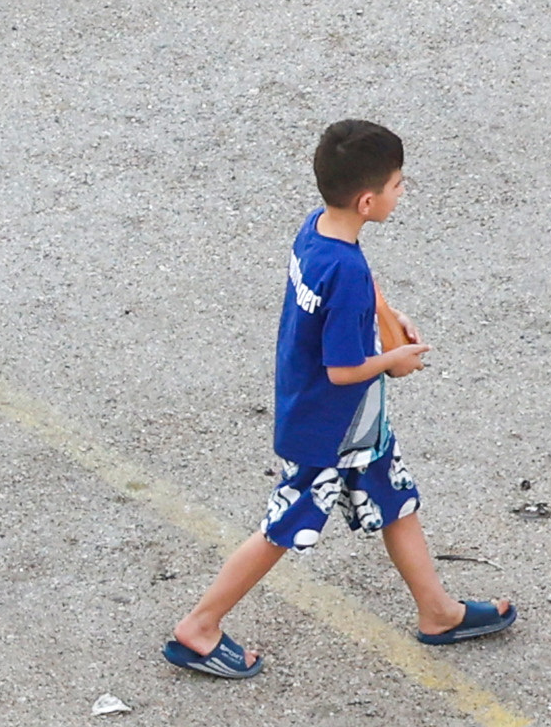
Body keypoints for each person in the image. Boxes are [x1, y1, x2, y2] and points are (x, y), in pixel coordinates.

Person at [162, 120, 521, 677]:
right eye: (399, 185)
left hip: (344, 422)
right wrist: (393, 360)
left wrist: (386, 314)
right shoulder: (346, 271)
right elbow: (345, 369)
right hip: (331, 429)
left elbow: (356, 281)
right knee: (284, 527)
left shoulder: (318, 231)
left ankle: (439, 612)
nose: (403, 193)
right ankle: (199, 627)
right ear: (368, 198)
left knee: (396, 499)